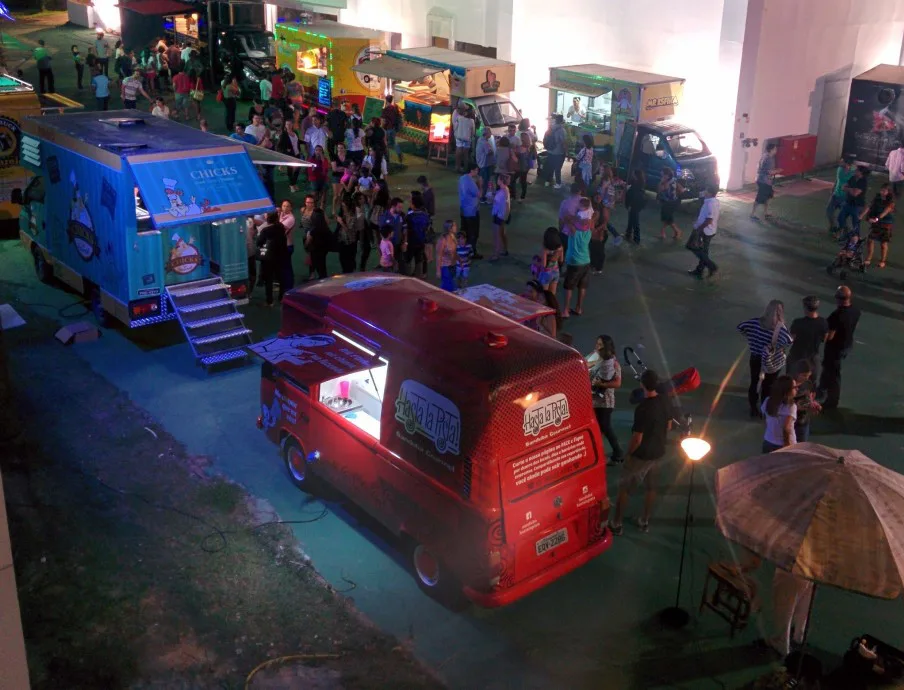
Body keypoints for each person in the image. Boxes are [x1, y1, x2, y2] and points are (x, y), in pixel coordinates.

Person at [609, 369, 671, 535]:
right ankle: (644, 521)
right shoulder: (665, 401)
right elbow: (669, 425)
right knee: (651, 488)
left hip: (641, 456)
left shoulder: (643, 408)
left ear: (642, 384)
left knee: (625, 489)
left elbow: (637, 439)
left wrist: (628, 454)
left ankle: (616, 524)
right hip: (658, 452)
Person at [738, 300, 793, 418]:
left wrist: (752, 339)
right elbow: (788, 341)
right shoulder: (780, 329)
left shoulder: (754, 322)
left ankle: (753, 409)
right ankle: (764, 408)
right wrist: (776, 347)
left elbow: (741, 327)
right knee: (768, 385)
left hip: (756, 358)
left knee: (754, 383)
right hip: (771, 362)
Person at [818, 285, 861, 409]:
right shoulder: (856, 311)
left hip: (835, 348)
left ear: (838, 298)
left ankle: (832, 400)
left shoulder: (836, 316)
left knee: (833, 373)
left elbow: (830, 336)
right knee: (828, 369)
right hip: (847, 344)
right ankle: (822, 387)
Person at [589, 335, 624, 464]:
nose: (597, 346)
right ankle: (598, 452)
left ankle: (618, 452)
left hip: (605, 402)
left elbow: (617, 383)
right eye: (597, 343)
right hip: (593, 400)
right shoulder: (596, 359)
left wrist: (602, 385)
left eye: (600, 344)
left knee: (605, 427)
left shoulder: (613, 364)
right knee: (599, 428)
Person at [562, 197, 592, 318]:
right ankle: (579, 308)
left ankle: (566, 310)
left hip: (575, 261)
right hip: (586, 261)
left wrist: (573, 215)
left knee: (569, 287)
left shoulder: (574, 230)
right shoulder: (588, 231)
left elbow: (566, 218)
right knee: (582, 286)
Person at [787, 295, 828, 382]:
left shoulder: (798, 323)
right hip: (812, 359)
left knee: (790, 382)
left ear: (805, 307)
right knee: (810, 384)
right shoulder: (823, 323)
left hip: (796, 357)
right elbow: (824, 339)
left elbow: (790, 340)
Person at [687, 184, 721, 279]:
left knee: (691, 246)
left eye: (705, 190)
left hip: (704, 231)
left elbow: (709, 220)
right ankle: (700, 270)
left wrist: (699, 229)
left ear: (709, 192)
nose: (704, 192)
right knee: (703, 251)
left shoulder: (710, 203)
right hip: (710, 230)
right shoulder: (714, 201)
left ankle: (712, 266)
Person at [256, 211, 289, 307]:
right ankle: (281, 297)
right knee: (281, 277)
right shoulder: (281, 227)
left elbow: (259, 242)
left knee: (268, 279)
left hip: (269, 258)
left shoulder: (265, 230)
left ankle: (269, 301)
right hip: (281, 256)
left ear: (268, 218)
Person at [861, 182, 895, 268]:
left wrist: (876, 219)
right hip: (876, 222)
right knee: (870, 240)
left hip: (886, 223)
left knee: (883, 243)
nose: (882, 192)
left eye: (884, 191)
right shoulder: (877, 198)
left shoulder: (891, 201)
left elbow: (885, 212)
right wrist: (861, 215)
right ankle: (869, 258)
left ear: (888, 192)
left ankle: (882, 261)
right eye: (882, 190)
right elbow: (869, 206)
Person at [761, 375, 797, 452]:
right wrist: (787, 444)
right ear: (787, 391)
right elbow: (786, 428)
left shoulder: (768, 401)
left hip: (768, 440)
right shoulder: (791, 406)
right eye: (794, 387)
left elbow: (765, 418)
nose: (797, 389)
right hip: (783, 444)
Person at [790, 360, 821, 443]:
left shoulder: (808, 383)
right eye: (804, 375)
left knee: (801, 446)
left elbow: (809, 397)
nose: (806, 378)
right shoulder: (788, 385)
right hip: (790, 423)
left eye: (808, 375)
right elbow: (782, 405)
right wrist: (796, 407)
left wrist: (813, 404)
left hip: (803, 422)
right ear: (797, 373)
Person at [750, 142, 780, 221]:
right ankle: (753, 214)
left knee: (768, 196)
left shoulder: (765, 156)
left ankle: (766, 212)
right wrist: (778, 170)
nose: (776, 150)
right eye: (775, 149)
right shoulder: (768, 158)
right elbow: (769, 171)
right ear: (771, 150)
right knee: (760, 198)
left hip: (764, 180)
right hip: (764, 181)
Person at [836, 165, 869, 237]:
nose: (855, 171)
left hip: (857, 206)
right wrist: (851, 189)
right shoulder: (852, 178)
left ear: (861, 173)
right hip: (848, 203)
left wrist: (849, 189)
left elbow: (855, 193)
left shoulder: (863, 181)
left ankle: (856, 239)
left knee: (855, 224)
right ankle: (844, 232)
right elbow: (843, 187)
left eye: (857, 170)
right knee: (840, 218)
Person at [405, 193, 431, 278]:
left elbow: (405, 229)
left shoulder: (409, 216)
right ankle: (419, 276)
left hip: (411, 242)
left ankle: (408, 277)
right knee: (419, 260)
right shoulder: (425, 215)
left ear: (413, 205)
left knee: (407, 260)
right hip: (421, 241)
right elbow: (427, 227)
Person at [459, 165, 482, 258]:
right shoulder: (470, 182)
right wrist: (480, 184)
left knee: (464, 231)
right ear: (472, 170)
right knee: (473, 233)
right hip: (472, 211)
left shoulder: (462, 178)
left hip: (463, 209)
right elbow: (479, 194)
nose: (477, 172)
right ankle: (472, 252)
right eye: (476, 170)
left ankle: (462, 250)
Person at [826, 158, 853, 232]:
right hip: (835, 194)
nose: (840, 162)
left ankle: (844, 230)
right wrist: (833, 188)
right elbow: (837, 179)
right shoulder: (839, 169)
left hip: (845, 197)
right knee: (829, 211)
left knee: (842, 216)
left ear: (847, 164)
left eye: (842, 161)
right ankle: (833, 226)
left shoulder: (852, 173)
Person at [558, 182, 583, 258]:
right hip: (580, 234)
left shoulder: (565, 203)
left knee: (563, 253)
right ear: (580, 191)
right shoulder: (587, 203)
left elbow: (561, 220)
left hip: (566, 233)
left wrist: (561, 230)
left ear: (571, 190)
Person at [305, 208, 332, 279]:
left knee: (319, 268)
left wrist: (307, 238)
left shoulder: (313, 230)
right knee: (322, 267)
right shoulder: (325, 228)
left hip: (315, 251)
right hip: (324, 250)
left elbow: (307, 243)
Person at [277, 121, 303, 193]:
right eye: (287, 124)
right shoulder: (283, 135)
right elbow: (279, 146)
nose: (288, 125)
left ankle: (293, 183)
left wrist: (304, 142)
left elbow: (297, 141)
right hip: (290, 155)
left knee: (298, 168)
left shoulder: (295, 132)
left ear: (292, 125)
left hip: (297, 153)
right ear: (285, 125)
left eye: (290, 124)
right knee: (290, 170)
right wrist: (286, 150)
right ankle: (292, 185)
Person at [335, 196, 359, 274]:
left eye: (344, 206)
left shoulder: (353, 216)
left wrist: (341, 222)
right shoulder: (343, 213)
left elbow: (349, 230)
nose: (342, 207)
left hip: (350, 242)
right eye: (342, 206)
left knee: (349, 262)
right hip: (342, 241)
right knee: (342, 260)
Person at [542, 114, 567, 188]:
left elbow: (545, 137)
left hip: (550, 151)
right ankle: (558, 183)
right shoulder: (562, 130)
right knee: (557, 168)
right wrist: (566, 151)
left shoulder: (550, 128)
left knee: (550, 167)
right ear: (562, 122)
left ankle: (547, 181)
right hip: (558, 152)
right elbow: (563, 142)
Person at [490, 174, 511, 262]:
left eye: (498, 179)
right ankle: (505, 250)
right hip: (502, 216)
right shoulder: (505, 189)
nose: (497, 180)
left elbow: (494, 200)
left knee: (497, 235)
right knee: (502, 233)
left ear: (501, 181)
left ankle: (496, 254)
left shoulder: (502, 192)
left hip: (498, 215)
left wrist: (489, 196)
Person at [658, 168, 683, 240]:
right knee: (668, 218)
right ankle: (676, 231)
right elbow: (681, 190)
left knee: (667, 218)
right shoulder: (674, 180)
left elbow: (661, 189)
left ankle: (674, 231)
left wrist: (661, 182)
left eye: (662, 174)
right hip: (671, 201)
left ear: (667, 175)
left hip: (670, 202)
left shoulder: (667, 182)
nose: (661, 175)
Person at [624, 169, 646, 245]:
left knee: (635, 221)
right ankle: (628, 234)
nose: (632, 175)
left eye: (633, 174)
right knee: (631, 220)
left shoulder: (637, 185)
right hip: (636, 205)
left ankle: (637, 238)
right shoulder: (638, 183)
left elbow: (632, 195)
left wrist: (629, 205)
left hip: (634, 205)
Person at [279, 199, 297, 289]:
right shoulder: (282, 215)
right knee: (284, 268)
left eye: (287, 206)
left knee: (287, 268)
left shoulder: (290, 219)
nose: (285, 208)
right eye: (283, 206)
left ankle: (289, 287)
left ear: (291, 208)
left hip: (287, 246)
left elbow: (280, 231)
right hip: (282, 246)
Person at [435, 220, 458, 292]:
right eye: (454, 226)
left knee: (447, 285)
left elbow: (455, 251)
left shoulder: (453, 237)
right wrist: (438, 270)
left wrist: (460, 261)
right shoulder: (442, 240)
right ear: (449, 229)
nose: (456, 227)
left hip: (453, 265)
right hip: (444, 266)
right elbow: (439, 256)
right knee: (449, 287)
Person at [452, 103, 475, 173]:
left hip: (459, 137)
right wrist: (471, 137)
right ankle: (465, 169)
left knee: (458, 153)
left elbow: (455, 126)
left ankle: (457, 167)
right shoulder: (471, 121)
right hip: (467, 139)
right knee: (466, 155)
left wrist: (455, 133)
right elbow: (473, 132)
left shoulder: (459, 118)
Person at [539, 227, 563, 293]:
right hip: (556, 272)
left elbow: (543, 265)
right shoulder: (560, 247)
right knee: (552, 295)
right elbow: (561, 260)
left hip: (546, 273)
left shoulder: (545, 250)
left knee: (544, 295)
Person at [476, 127, 497, 203]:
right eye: (490, 132)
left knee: (483, 181)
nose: (491, 134)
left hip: (482, 164)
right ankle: (482, 197)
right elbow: (489, 152)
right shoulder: (484, 142)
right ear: (486, 134)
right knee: (484, 182)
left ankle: (482, 195)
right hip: (485, 165)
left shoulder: (480, 140)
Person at [380, 95, 403, 164]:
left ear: (386, 100)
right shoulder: (395, 108)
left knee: (385, 144)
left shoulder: (385, 110)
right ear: (392, 100)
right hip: (393, 128)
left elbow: (383, 121)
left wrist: (381, 128)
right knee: (394, 142)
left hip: (386, 129)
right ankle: (399, 153)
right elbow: (399, 116)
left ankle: (387, 159)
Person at [306, 145, 330, 210]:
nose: (318, 151)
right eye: (317, 150)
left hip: (323, 179)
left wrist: (323, 161)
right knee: (315, 195)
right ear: (314, 151)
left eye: (320, 150)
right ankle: (314, 208)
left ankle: (322, 208)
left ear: (322, 152)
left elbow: (326, 171)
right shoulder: (311, 160)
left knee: (324, 194)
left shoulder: (325, 160)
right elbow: (309, 173)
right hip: (315, 179)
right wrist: (313, 171)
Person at [330, 143, 350, 217]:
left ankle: (342, 210)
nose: (340, 149)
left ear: (344, 148)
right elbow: (334, 169)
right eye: (338, 148)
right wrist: (344, 168)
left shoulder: (347, 156)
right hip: (336, 177)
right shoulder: (334, 157)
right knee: (336, 195)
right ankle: (334, 209)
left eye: (341, 148)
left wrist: (341, 168)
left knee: (342, 195)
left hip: (345, 177)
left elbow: (349, 168)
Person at [245, 214, 262, 299]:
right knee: (245, 274)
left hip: (250, 251)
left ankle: (249, 292)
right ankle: (246, 292)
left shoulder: (251, 221)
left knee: (252, 274)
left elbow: (261, 223)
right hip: (241, 253)